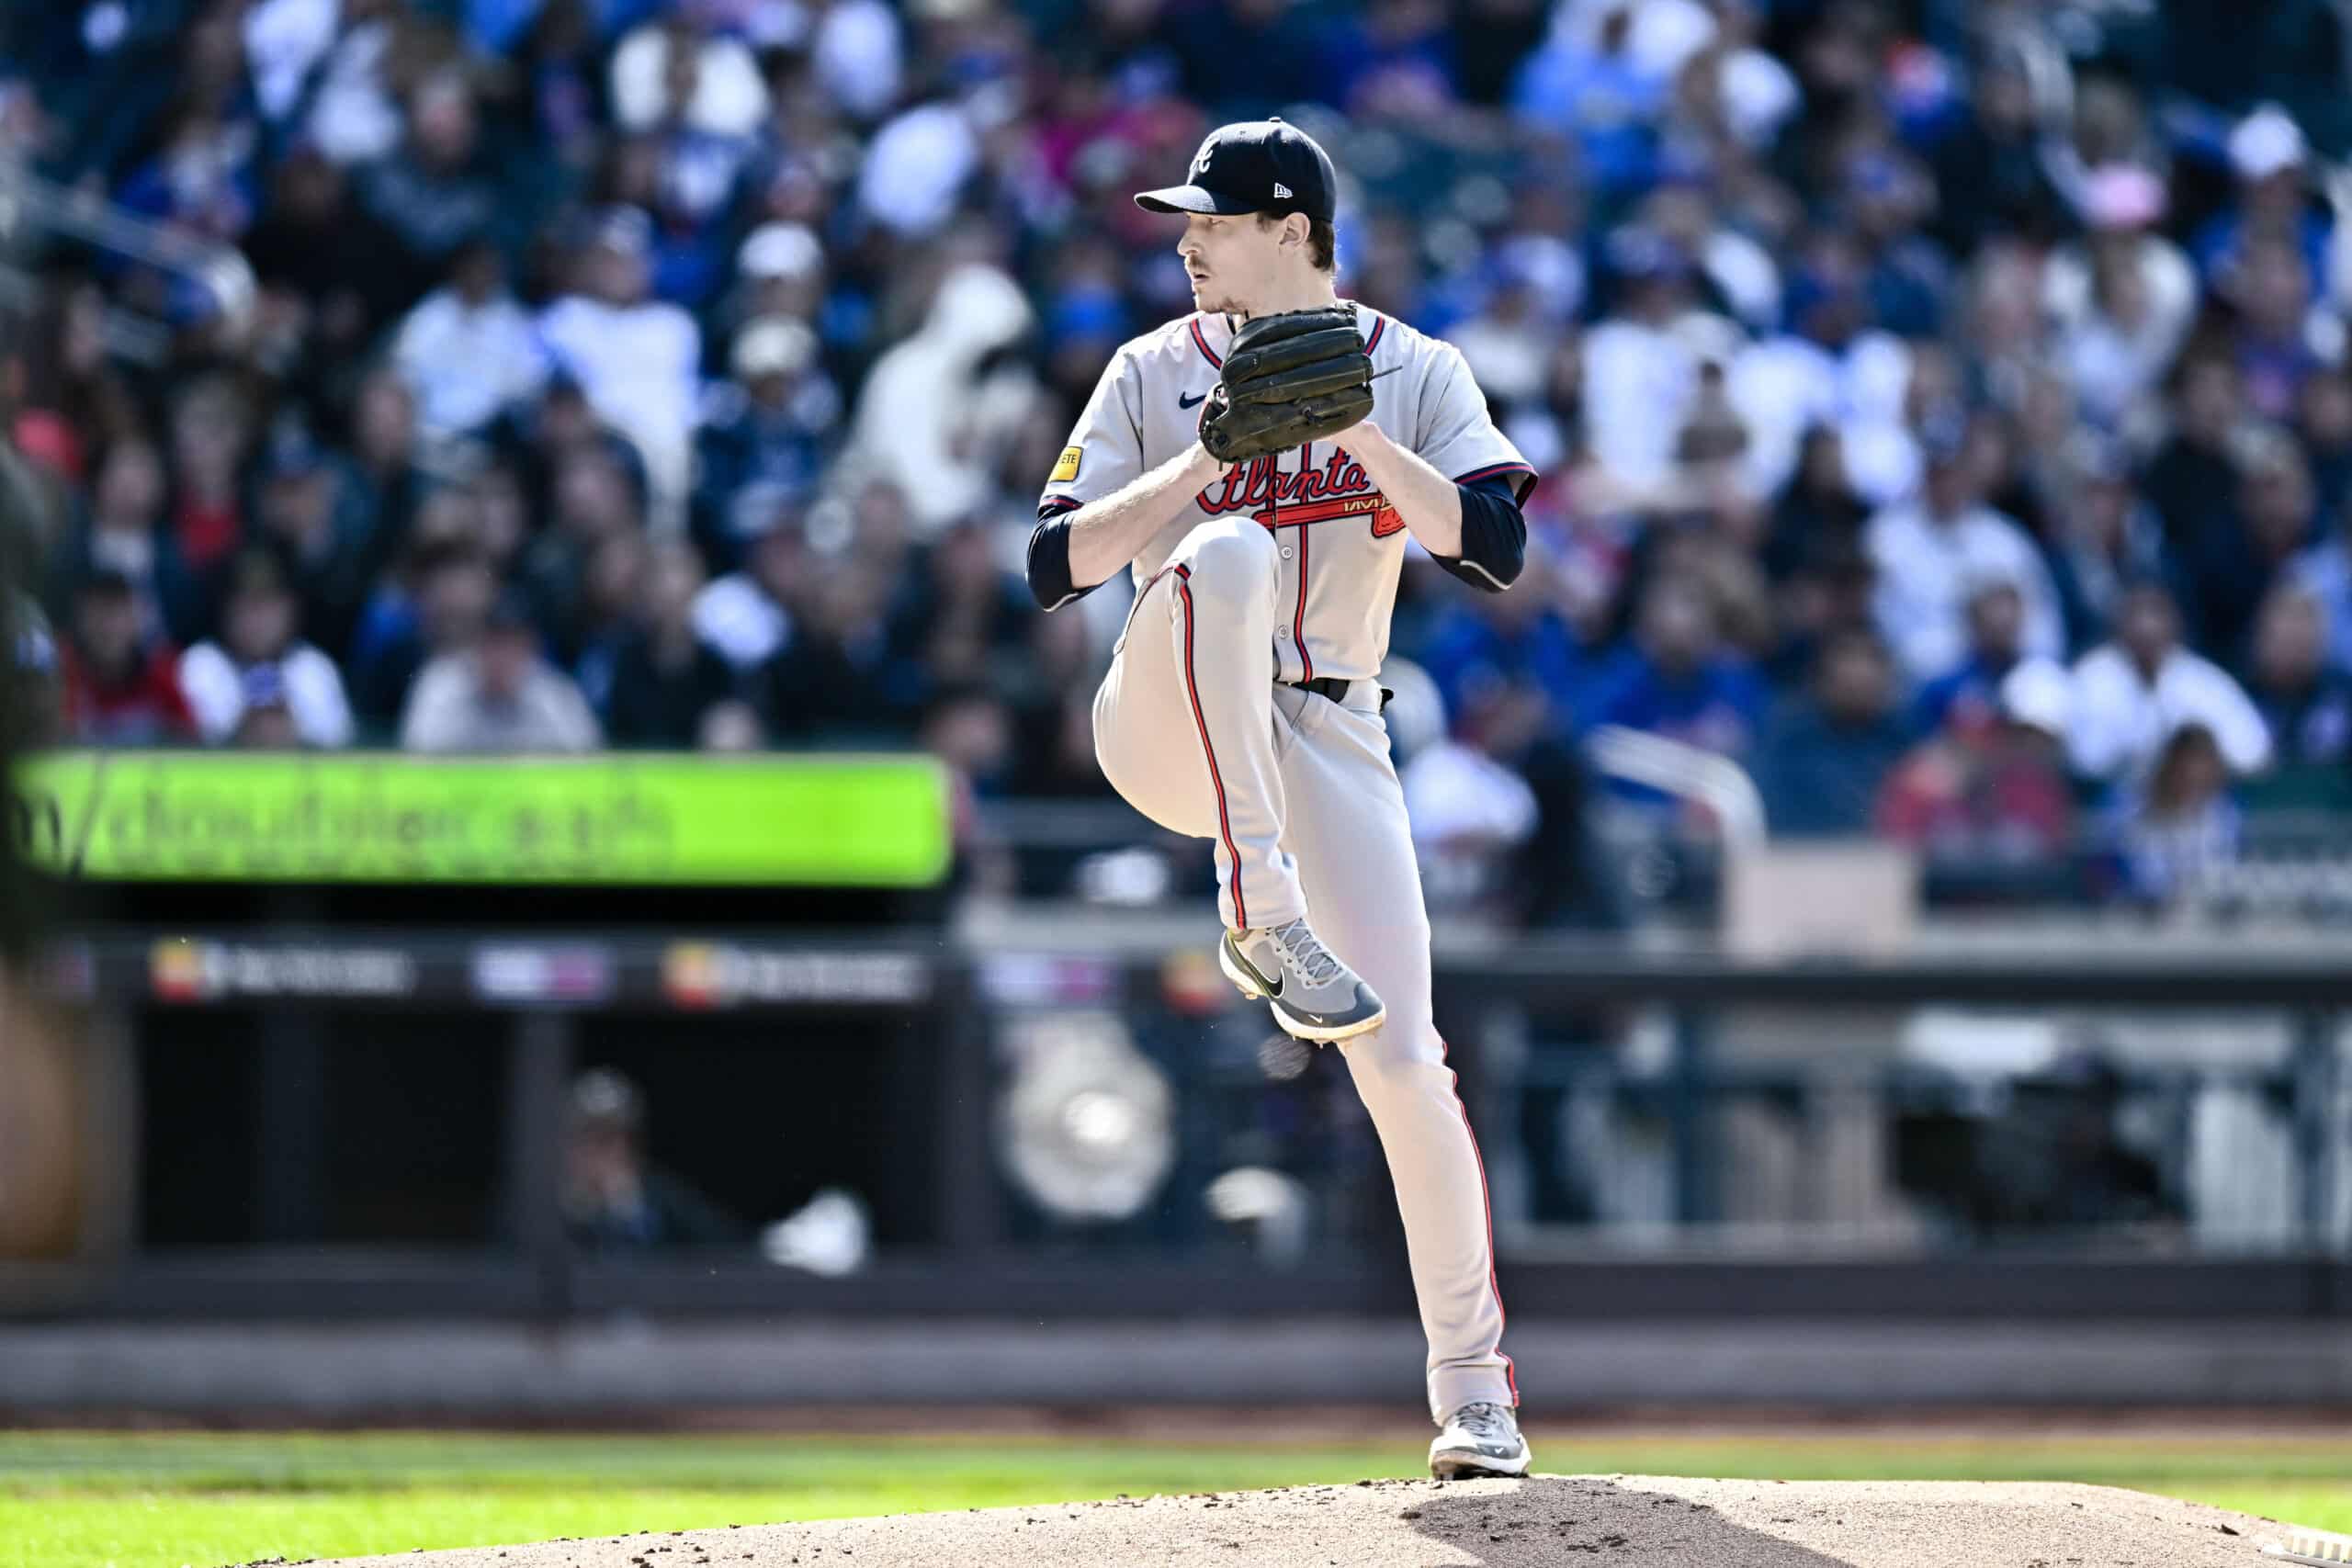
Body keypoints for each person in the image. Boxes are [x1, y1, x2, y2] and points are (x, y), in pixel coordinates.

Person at [1025, 118, 1532, 1479]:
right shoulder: (1147, 370)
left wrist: (1353, 429)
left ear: (1296, 229)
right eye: (1185, 219)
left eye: (1217, 218)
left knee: (1408, 1064)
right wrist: (1200, 466)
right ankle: (1257, 904)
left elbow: (1490, 543)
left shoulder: (1413, 367)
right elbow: (1052, 562)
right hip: (1172, 712)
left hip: (1329, 728)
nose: (1188, 239)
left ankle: (1476, 1394)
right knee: (1231, 548)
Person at [2064, 581, 2272, 784]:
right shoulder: (2091, 677)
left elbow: (2252, 754)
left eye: (2156, 612)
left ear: (2176, 621)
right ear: (2118, 621)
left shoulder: (2201, 680)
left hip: (2193, 807)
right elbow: (2083, 761)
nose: (2146, 626)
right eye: (2136, 613)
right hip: (2108, 807)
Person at [177, 549, 354, 749]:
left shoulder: (314, 668)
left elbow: (340, 744)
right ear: (226, 610)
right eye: (247, 605)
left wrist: (294, 732)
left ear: (291, 609)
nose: (258, 619)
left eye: (268, 604)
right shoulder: (200, 665)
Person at [561, 1068, 746, 1252]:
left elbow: (727, 1243)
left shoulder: (662, 1198)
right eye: (589, 1138)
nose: (604, 1153)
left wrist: (626, 1210)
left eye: (612, 1138)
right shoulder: (549, 1207)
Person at [400, 591, 603, 754]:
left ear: (531, 647)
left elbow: (588, 763)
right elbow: (416, 758)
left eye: (513, 643)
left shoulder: (555, 695)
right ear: (476, 643)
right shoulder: (440, 686)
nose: (502, 655)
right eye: (494, 642)